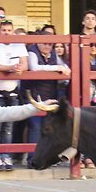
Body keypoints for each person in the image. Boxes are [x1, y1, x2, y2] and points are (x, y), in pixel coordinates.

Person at [20, 30, 70, 168]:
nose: (48, 46)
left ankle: (44, 158)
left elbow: (65, 68)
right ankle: (31, 158)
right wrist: (56, 68)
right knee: (35, 126)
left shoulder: (53, 54)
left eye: (50, 44)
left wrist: (60, 68)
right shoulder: (32, 52)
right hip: (34, 94)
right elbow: (34, 68)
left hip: (49, 94)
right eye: (45, 43)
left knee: (47, 128)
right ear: (38, 42)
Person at [0, 19, 29, 171]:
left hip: (13, 90)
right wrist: (11, 68)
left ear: (12, 31)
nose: (6, 33)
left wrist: (19, 69)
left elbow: (25, 64)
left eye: (9, 30)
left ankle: (7, 156)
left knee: (9, 127)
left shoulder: (19, 45)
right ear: (0, 31)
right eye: (4, 30)